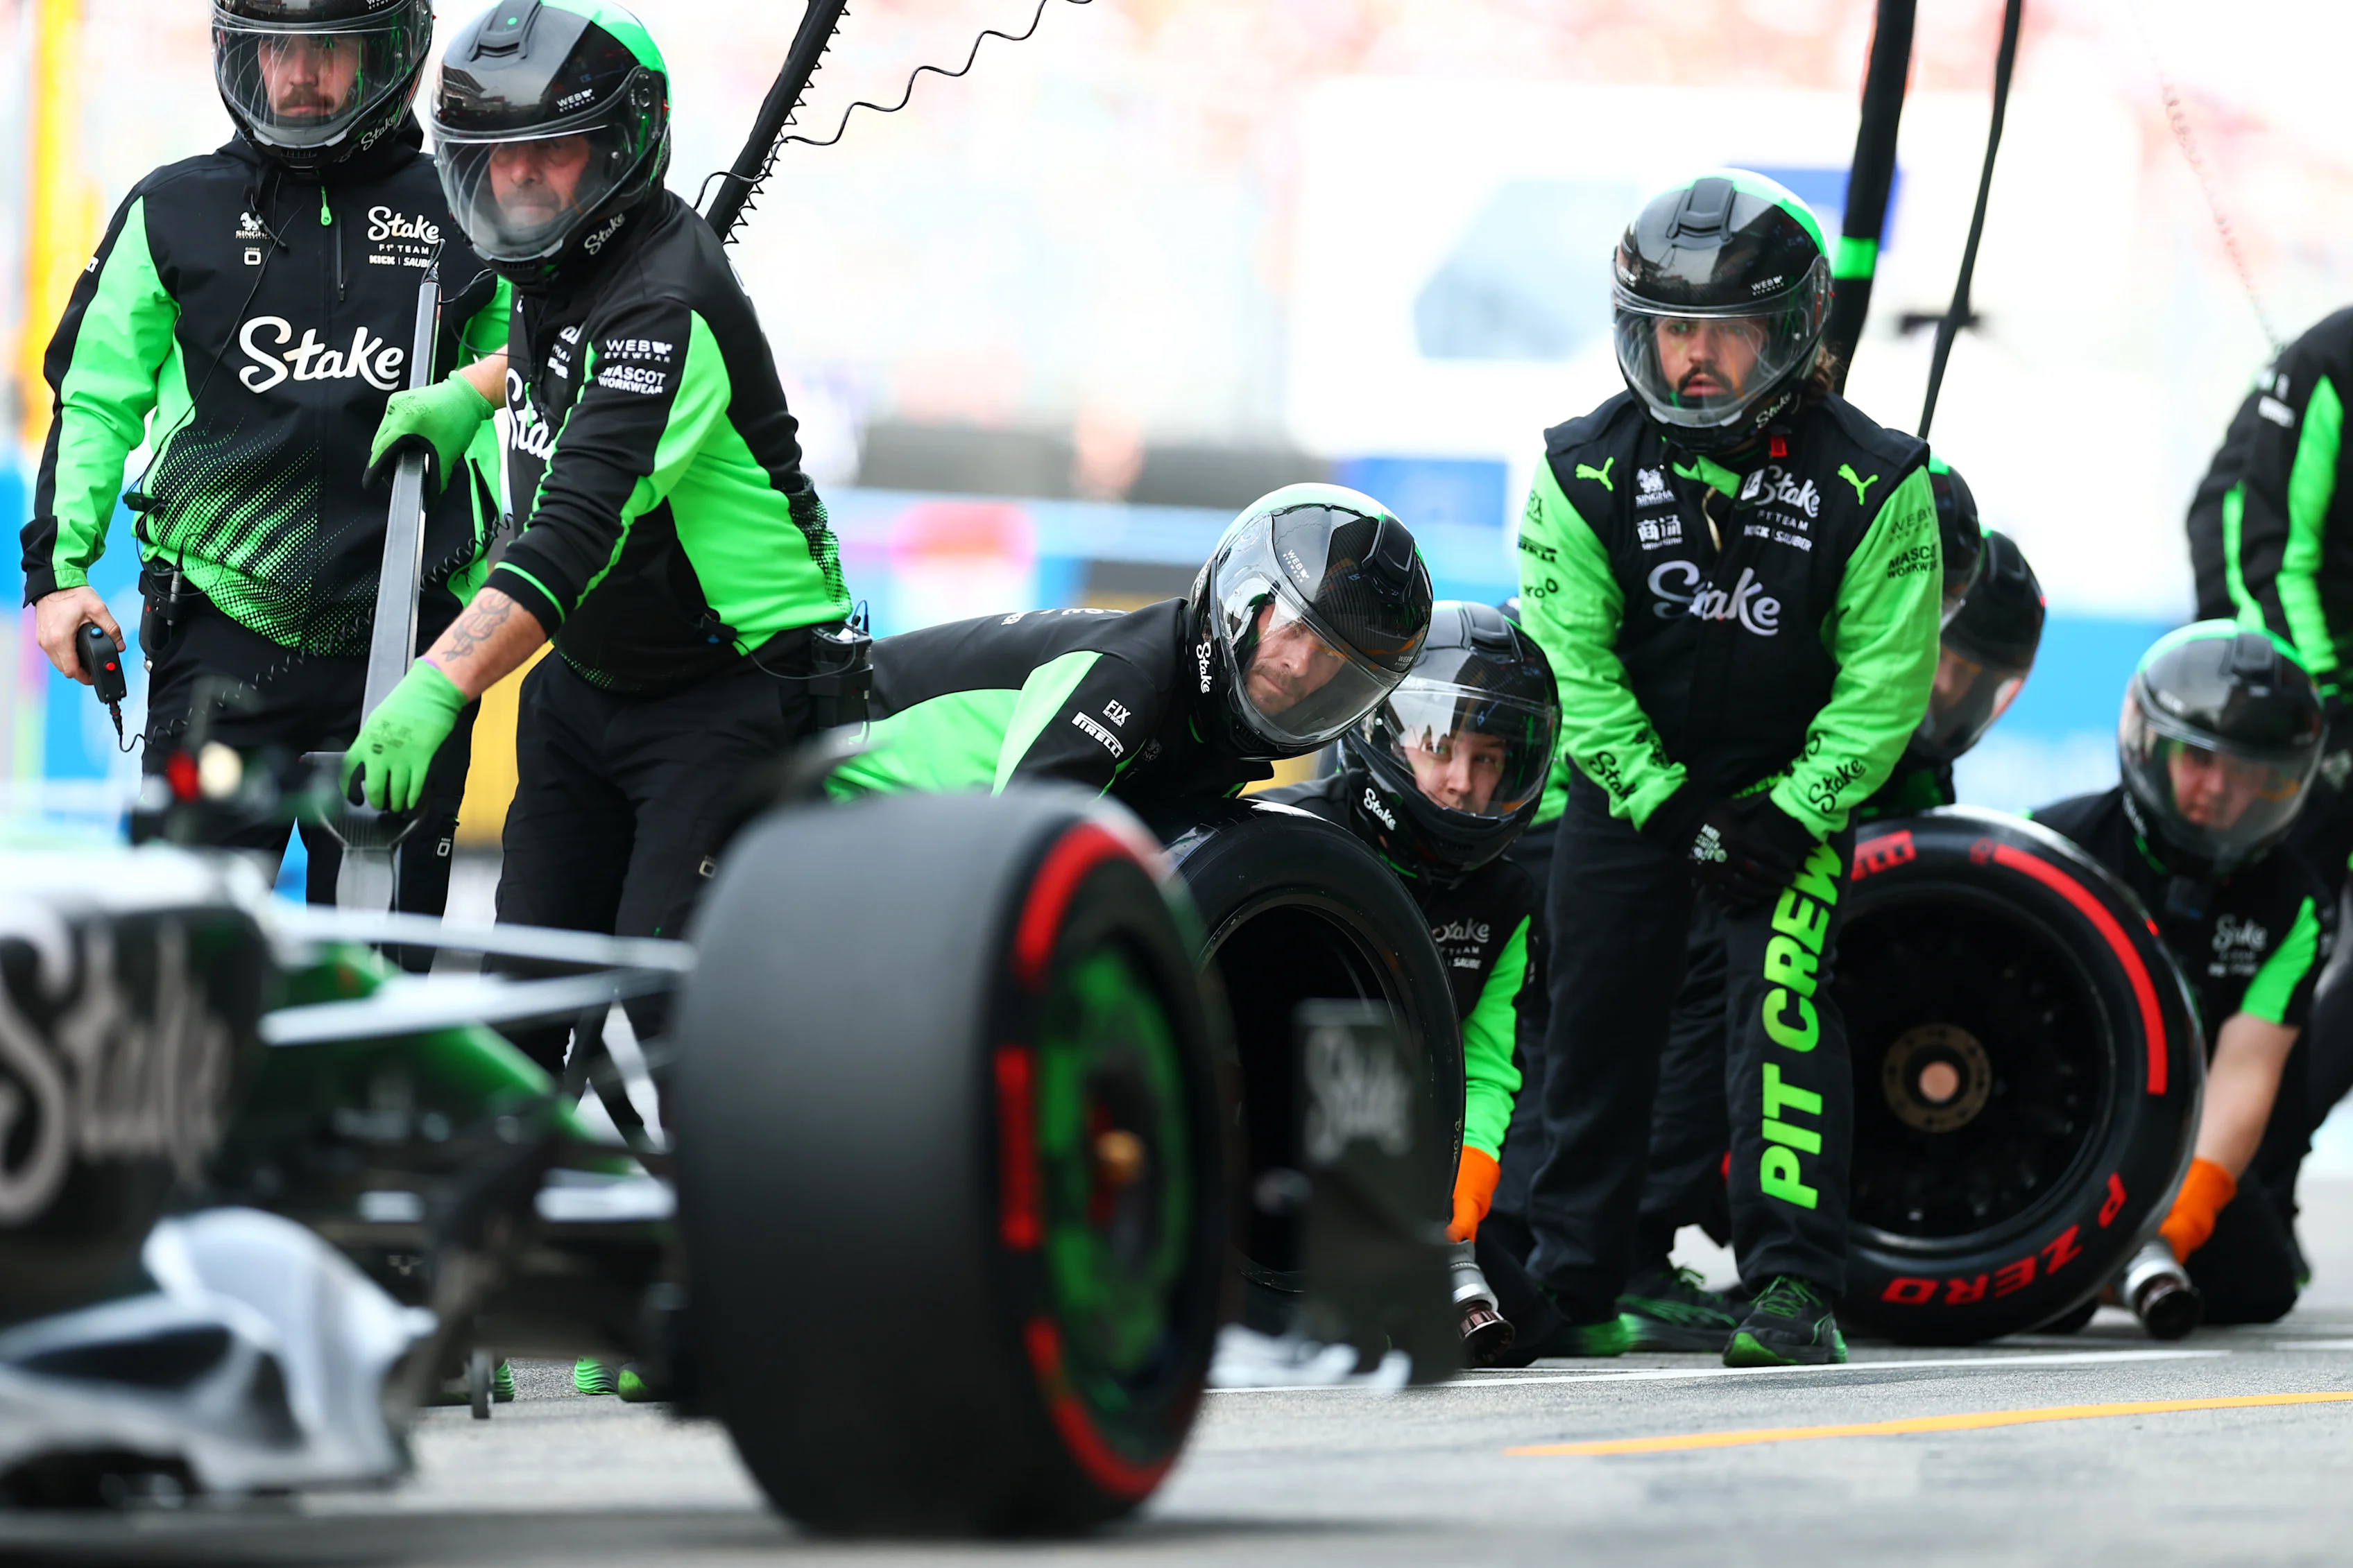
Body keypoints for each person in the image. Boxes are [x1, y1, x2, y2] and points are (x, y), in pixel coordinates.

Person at [1512, 171, 1944, 1367]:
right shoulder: (1577, 467)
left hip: (1790, 802)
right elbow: (1570, 667)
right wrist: (1672, 806)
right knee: (1589, 1027)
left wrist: (1790, 811)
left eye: (1721, 331)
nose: (1690, 359)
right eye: (1667, 330)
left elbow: (1884, 686)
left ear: (1792, 333)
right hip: (1628, 795)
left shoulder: (1877, 477)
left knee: (1783, 1021)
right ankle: (1577, 1281)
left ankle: (1795, 1289)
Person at [20, 0, 507, 927]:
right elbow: (94, 394)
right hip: (220, 640)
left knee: (382, 982)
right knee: (181, 966)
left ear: (390, 57)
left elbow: (539, 382)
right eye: (275, 49)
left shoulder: (468, 208)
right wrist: (59, 574)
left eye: (329, 51)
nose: (298, 75)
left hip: (412, 643)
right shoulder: (172, 207)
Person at [1618, 519, 2047, 1352]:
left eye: (1969, 681)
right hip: (1685, 858)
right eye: (1938, 659)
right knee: (1731, 980)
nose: (1943, 690)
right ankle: (1628, 1243)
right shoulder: (1793, 700)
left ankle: (1738, 1250)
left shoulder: (1921, 780)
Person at [1265, 602, 1559, 1362]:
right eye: (1442, 748)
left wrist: (1470, 1171)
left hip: (1403, 1162)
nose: (1462, 783)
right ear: (1388, 736)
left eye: (1489, 758)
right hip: (1261, 1137)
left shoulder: (1508, 897)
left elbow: (1487, 1060)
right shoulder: (1283, 834)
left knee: (1519, 1325)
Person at [2032, 624, 2332, 1326]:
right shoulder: (2047, 843)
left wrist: (2169, 1228)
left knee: (2259, 1283)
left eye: (2252, 772)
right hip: (2035, 1126)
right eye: (2197, 759)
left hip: (2161, 1141)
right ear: (2148, 742)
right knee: (2045, 1307)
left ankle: (2111, 1270)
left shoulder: (2293, 902)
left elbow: (2244, 1075)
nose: (2219, 790)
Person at [830, 485, 1435, 803]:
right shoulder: (1134, 671)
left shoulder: (1219, 739)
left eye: (1331, 658)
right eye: (1295, 628)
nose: (1301, 665)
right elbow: (1017, 846)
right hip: (823, 771)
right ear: (1251, 601)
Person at [2185, 314, 2353, 1226]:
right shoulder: (2331, 360)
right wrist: (2324, 714)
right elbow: (2269, 551)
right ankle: (2209, 1175)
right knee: (2274, 934)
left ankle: (2261, 1175)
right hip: (2295, 696)